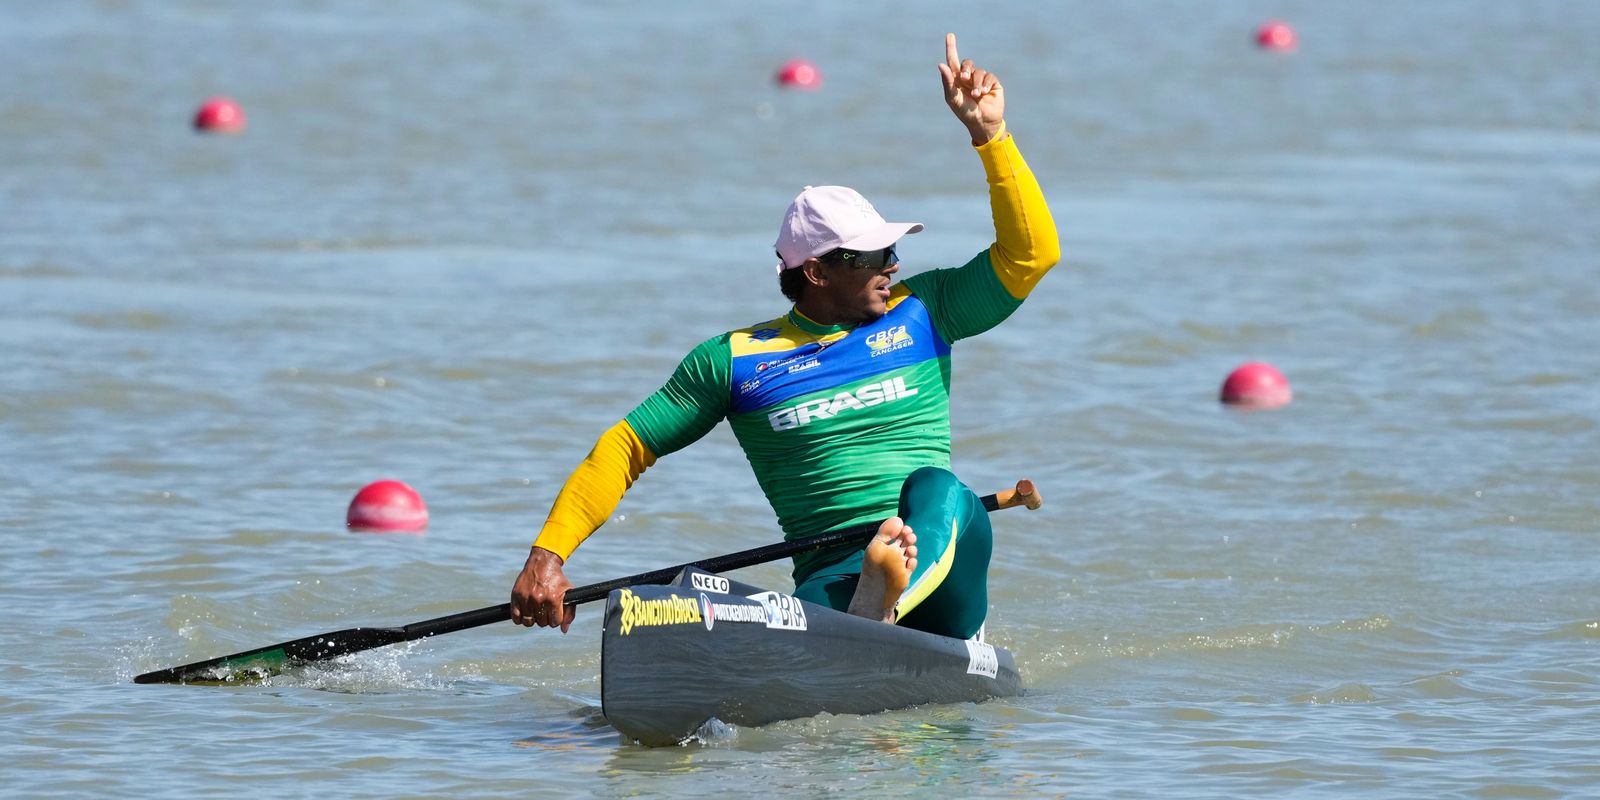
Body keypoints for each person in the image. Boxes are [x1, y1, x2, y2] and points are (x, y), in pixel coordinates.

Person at [510, 33, 1059, 639]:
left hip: (942, 568)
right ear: (818, 271)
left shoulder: (925, 310)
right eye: (872, 255)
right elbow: (625, 447)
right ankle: (860, 614)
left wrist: (991, 136)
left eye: (893, 250)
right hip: (832, 576)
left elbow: (1031, 256)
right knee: (699, 599)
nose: (893, 266)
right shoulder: (735, 361)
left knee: (939, 490)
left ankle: (882, 610)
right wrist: (548, 558)